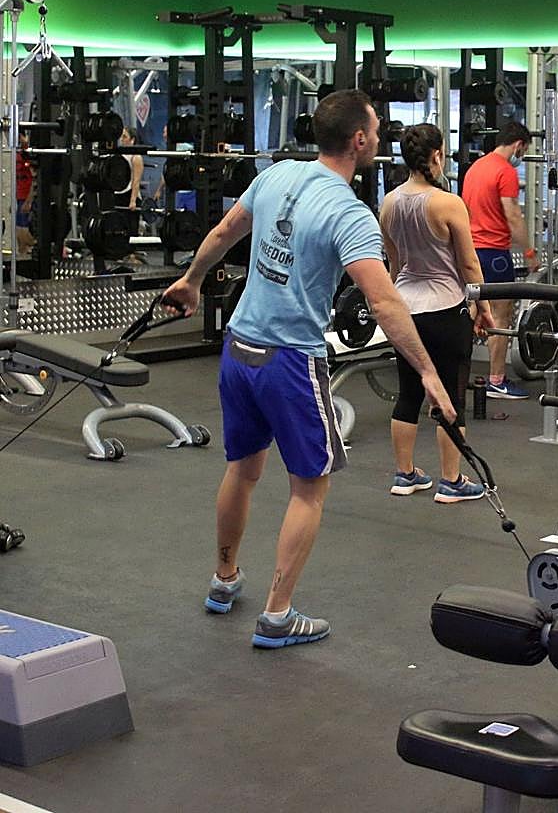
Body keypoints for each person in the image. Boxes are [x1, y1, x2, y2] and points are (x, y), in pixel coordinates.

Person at [163, 89, 455, 648]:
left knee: (242, 470)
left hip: (239, 349)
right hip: (290, 362)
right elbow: (385, 302)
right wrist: (428, 373)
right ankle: (277, 614)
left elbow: (226, 233)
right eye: (376, 130)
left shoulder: (277, 176)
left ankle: (224, 580)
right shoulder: (349, 213)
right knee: (308, 489)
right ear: (360, 140)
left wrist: (192, 280)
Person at [381, 123, 495, 502]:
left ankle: (405, 474)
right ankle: (452, 480)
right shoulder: (448, 202)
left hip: (405, 307)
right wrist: (483, 306)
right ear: (436, 156)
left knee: (409, 392)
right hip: (446, 308)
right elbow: (469, 264)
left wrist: (395, 304)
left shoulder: (389, 202)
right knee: (451, 394)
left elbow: (393, 264)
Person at [460, 120, 533, 400]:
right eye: (523, 152)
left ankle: (457, 376)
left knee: (471, 314)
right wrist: (529, 253)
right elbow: (513, 214)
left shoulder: (475, 168)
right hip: (495, 254)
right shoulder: (505, 171)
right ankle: (496, 381)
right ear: (518, 145)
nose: (521, 157)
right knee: (501, 318)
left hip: (470, 251)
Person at [117, 128, 144, 211]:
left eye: (124, 137)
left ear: (132, 140)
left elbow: (136, 181)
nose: (121, 140)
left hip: (130, 195)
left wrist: (133, 201)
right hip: (118, 194)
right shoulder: (118, 156)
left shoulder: (136, 157)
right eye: (121, 137)